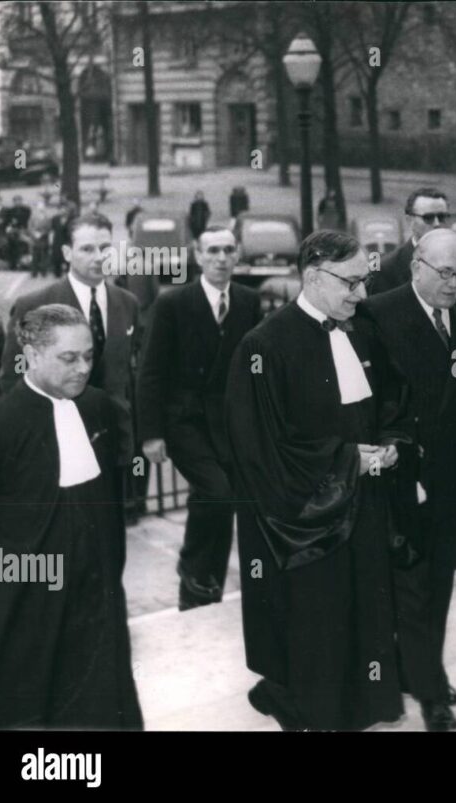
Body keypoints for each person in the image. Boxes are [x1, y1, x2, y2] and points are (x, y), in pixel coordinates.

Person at [225, 230, 407, 731]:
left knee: (365, 608)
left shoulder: (363, 328)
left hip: (364, 505)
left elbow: (392, 398)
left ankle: (364, 709)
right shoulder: (262, 346)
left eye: (364, 281)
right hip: (306, 519)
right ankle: (316, 715)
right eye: (351, 283)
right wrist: (349, 461)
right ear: (312, 276)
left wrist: (392, 441)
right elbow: (260, 447)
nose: (361, 294)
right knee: (317, 622)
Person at [360, 229, 456, 731]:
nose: (454, 283)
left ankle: (415, 670)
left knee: (439, 583)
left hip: (449, 479)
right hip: (400, 479)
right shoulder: (379, 313)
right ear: (417, 264)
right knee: (414, 587)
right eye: (445, 272)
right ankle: (431, 693)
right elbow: (370, 405)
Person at [0, 304, 143, 729]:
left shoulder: (98, 408)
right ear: (32, 356)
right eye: (68, 358)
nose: (83, 368)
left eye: (89, 355)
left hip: (96, 585)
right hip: (33, 597)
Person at [138, 226, 261, 611]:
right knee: (218, 492)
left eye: (228, 250)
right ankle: (193, 575)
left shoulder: (247, 301)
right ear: (197, 254)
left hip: (227, 422)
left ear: (238, 253)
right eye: (213, 251)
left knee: (219, 499)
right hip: (185, 420)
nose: (221, 258)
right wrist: (152, 434)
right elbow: (151, 371)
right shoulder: (173, 303)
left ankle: (207, 590)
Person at [0, 214, 141, 493]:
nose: (99, 257)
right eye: (87, 249)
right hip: (56, 444)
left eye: (105, 248)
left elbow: (128, 374)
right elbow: (12, 378)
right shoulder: (34, 303)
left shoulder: (128, 303)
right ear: (66, 253)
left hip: (114, 444)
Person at [370, 187, 450, 295]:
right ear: (410, 220)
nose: (437, 224)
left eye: (442, 217)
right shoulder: (386, 268)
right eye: (428, 217)